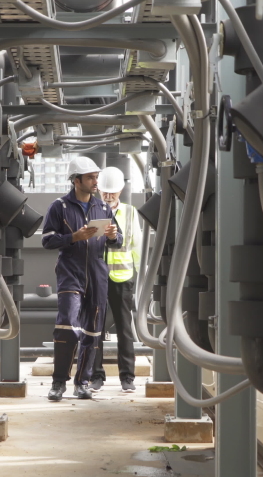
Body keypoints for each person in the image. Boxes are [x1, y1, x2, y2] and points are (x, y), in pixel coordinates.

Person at [41, 157, 122, 401]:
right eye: (90, 177)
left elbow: (117, 243)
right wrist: (73, 237)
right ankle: (58, 383)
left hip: (97, 275)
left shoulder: (103, 208)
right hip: (70, 273)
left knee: (93, 331)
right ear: (76, 181)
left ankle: (82, 383)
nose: (95, 181)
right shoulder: (59, 207)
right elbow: (47, 240)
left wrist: (112, 235)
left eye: (96, 176)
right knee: (66, 326)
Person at [90, 166, 142, 393]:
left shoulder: (130, 213)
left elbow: (137, 245)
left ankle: (127, 378)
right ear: (98, 189)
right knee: (95, 329)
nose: (108, 196)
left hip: (123, 277)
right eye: (104, 191)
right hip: (97, 278)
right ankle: (96, 377)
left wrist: (142, 278)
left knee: (124, 329)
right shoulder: (90, 210)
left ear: (121, 190)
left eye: (112, 192)